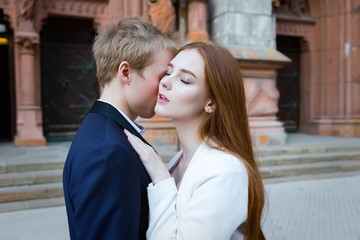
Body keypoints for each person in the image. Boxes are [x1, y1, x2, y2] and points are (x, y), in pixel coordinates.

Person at [125, 41, 266, 240]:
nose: (165, 82)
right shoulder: (180, 159)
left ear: (211, 103)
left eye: (185, 79)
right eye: (168, 72)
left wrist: (160, 178)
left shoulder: (225, 170)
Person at [62, 17, 177, 240]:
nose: (166, 86)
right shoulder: (107, 151)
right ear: (125, 72)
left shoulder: (103, 131)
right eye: (162, 75)